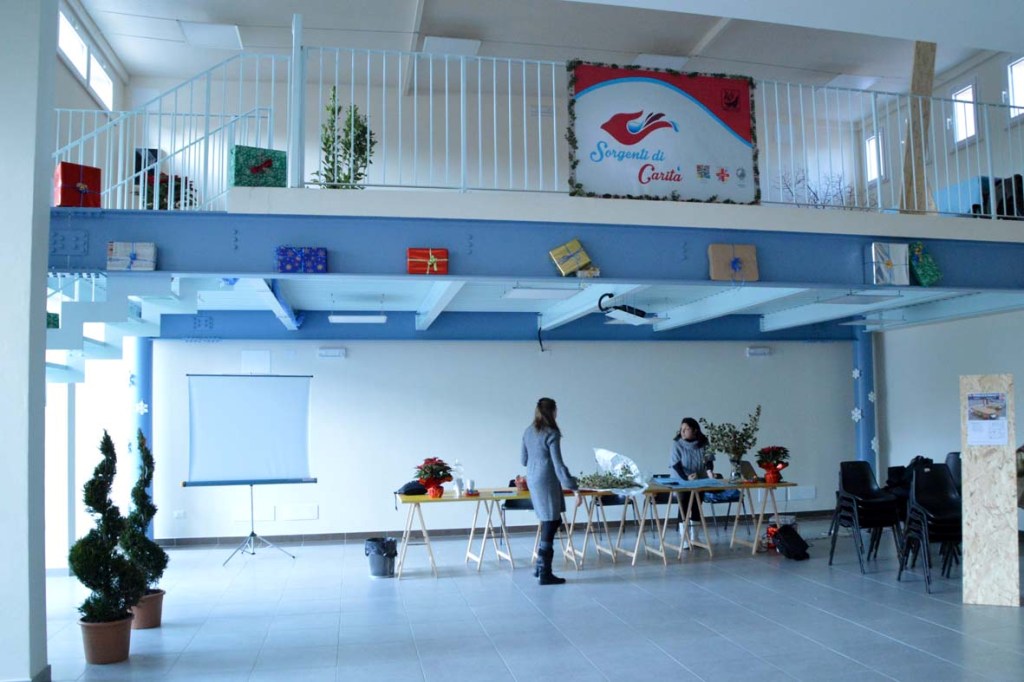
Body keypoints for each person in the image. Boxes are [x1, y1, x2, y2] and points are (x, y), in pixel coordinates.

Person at [521, 397, 578, 585]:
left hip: (533, 478)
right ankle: (545, 573)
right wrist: (573, 485)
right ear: (553, 411)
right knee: (551, 522)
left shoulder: (528, 431)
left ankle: (540, 567)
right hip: (546, 480)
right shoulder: (551, 433)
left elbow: (523, 460)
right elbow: (558, 464)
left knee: (551, 520)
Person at [669, 417, 713, 545]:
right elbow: (676, 464)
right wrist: (686, 477)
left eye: (686, 429)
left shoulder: (704, 442)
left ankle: (695, 537)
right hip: (681, 480)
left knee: (697, 505)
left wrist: (710, 471)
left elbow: (709, 460)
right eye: (681, 429)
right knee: (684, 505)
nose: (682, 431)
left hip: (700, 479)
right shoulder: (677, 444)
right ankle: (685, 538)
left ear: (695, 430)